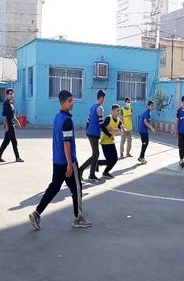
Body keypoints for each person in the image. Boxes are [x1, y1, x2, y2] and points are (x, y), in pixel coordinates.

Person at [28, 90, 91, 230]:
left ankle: (36, 213)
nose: (72, 103)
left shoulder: (57, 117)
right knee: (77, 189)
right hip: (68, 162)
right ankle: (78, 218)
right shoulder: (67, 121)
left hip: (57, 161)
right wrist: (69, 163)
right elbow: (66, 143)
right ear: (62, 103)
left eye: (72, 100)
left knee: (54, 187)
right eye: (69, 101)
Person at [79, 90, 106, 181]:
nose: (104, 100)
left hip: (90, 133)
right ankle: (81, 169)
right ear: (101, 97)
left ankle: (92, 174)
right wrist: (108, 134)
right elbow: (101, 124)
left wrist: (87, 131)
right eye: (104, 98)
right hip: (94, 133)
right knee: (95, 154)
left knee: (96, 154)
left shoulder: (92, 107)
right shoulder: (100, 108)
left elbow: (88, 120)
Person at [0, 88, 23, 163]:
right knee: (14, 142)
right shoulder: (6, 104)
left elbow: (12, 115)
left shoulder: (11, 103)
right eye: (10, 94)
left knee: (6, 142)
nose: (12, 95)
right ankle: (17, 157)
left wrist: (17, 121)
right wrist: (6, 125)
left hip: (12, 124)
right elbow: (4, 115)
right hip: (9, 125)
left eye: (13, 94)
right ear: (7, 95)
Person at [97, 104, 123, 178]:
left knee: (115, 159)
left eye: (119, 111)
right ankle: (97, 163)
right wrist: (111, 132)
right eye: (117, 111)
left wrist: (121, 129)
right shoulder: (108, 118)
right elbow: (103, 128)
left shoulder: (118, 120)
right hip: (105, 142)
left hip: (111, 142)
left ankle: (105, 172)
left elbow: (120, 127)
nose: (118, 112)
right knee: (109, 160)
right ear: (113, 111)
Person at [138, 100, 155, 165]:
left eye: (153, 106)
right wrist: (151, 128)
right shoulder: (147, 112)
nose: (152, 107)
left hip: (144, 130)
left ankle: (141, 157)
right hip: (143, 131)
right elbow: (145, 122)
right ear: (148, 106)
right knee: (145, 143)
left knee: (145, 143)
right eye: (151, 106)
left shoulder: (149, 112)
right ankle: (141, 157)